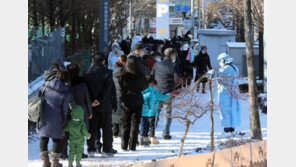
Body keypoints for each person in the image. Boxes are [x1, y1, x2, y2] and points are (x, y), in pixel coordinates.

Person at [84, 52, 117, 157]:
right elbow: (109, 89)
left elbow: (85, 89)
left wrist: (92, 100)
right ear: (104, 61)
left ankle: (91, 149)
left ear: (93, 61)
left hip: (91, 106)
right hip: (105, 105)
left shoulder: (87, 72)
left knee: (92, 128)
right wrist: (100, 100)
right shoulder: (108, 72)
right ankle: (107, 149)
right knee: (107, 128)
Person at [37, 70, 70, 167]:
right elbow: (65, 108)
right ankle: (55, 162)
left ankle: (45, 161)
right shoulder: (65, 91)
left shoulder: (46, 84)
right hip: (57, 117)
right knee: (56, 139)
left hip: (44, 115)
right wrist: (64, 120)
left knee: (43, 138)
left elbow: (38, 95)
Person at [151, 48, 183, 140]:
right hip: (168, 92)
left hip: (157, 91)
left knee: (154, 112)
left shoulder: (156, 64)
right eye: (174, 55)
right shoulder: (174, 66)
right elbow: (177, 80)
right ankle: (165, 133)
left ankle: (151, 132)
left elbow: (152, 76)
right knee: (167, 113)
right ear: (171, 55)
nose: (175, 56)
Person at [208, 53, 241, 138]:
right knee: (232, 111)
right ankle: (232, 130)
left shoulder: (227, 69)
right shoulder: (234, 67)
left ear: (225, 60)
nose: (219, 62)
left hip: (226, 94)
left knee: (225, 112)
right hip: (233, 94)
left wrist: (211, 73)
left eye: (220, 60)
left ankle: (227, 131)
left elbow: (218, 74)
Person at [119, 56, 148, 151]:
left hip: (126, 100)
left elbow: (121, 87)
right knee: (135, 125)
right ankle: (132, 146)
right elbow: (145, 87)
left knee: (125, 124)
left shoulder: (123, 75)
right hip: (137, 100)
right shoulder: (141, 76)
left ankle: (124, 145)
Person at [66, 64, 93, 159]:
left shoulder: (67, 84)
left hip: (69, 110)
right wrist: (90, 111)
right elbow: (87, 99)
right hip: (82, 108)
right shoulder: (82, 83)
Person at [139, 75, 170, 145]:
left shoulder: (141, 89)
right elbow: (162, 97)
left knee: (144, 125)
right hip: (152, 112)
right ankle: (152, 138)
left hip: (142, 111)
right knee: (152, 126)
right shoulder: (153, 91)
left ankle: (145, 138)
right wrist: (169, 95)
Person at [112, 55, 127, 138]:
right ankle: (121, 133)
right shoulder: (123, 71)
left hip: (115, 93)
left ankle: (115, 132)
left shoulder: (115, 70)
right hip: (121, 93)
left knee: (115, 113)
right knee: (122, 114)